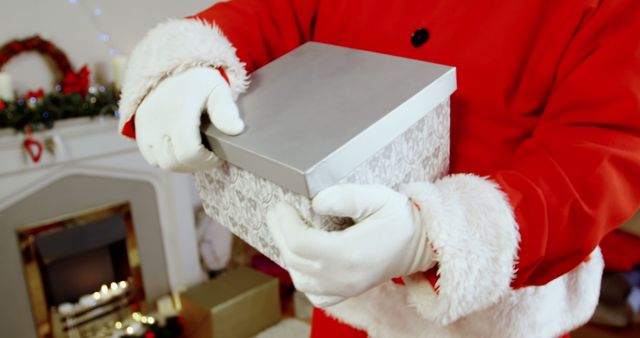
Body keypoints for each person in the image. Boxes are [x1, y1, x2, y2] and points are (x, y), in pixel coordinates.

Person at [117, 1, 640, 337]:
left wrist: (434, 238)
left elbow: (601, 152)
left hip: (495, 319)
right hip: (348, 305)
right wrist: (191, 58)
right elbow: (278, 11)